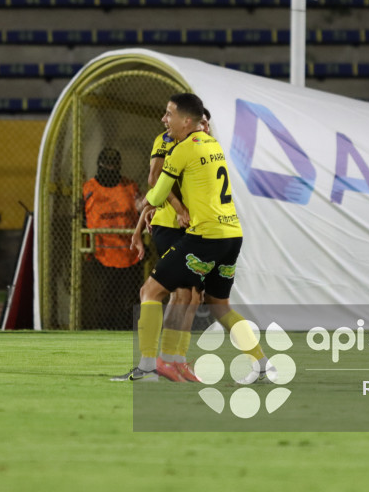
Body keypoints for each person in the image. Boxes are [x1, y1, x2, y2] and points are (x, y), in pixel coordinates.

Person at [112, 93, 271, 382]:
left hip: (204, 236)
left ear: (187, 121)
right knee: (219, 305)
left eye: (169, 114)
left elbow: (158, 191)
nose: (164, 120)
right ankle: (261, 365)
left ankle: (149, 367)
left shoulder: (182, 149)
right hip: (231, 234)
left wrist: (143, 204)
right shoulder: (214, 144)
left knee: (151, 292)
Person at [129, 110, 212, 383]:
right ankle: (157, 362)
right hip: (170, 226)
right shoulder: (166, 141)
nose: (165, 119)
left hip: (193, 229)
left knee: (191, 297)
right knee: (166, 292)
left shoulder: (204, 148)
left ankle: (174, 360)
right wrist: (144, 225)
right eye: (203, 121)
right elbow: (156, 182)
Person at [82, 147, 143, 329]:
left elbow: (141, 209)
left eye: (113, 165)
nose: (110, 169)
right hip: (102, 256)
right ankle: (105, 336)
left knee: (129, 303)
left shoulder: (130, 187)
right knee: (105, 304)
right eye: (106, 165)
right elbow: (81, 217)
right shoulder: (89, 189)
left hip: (129, 256)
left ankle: (126, 336)